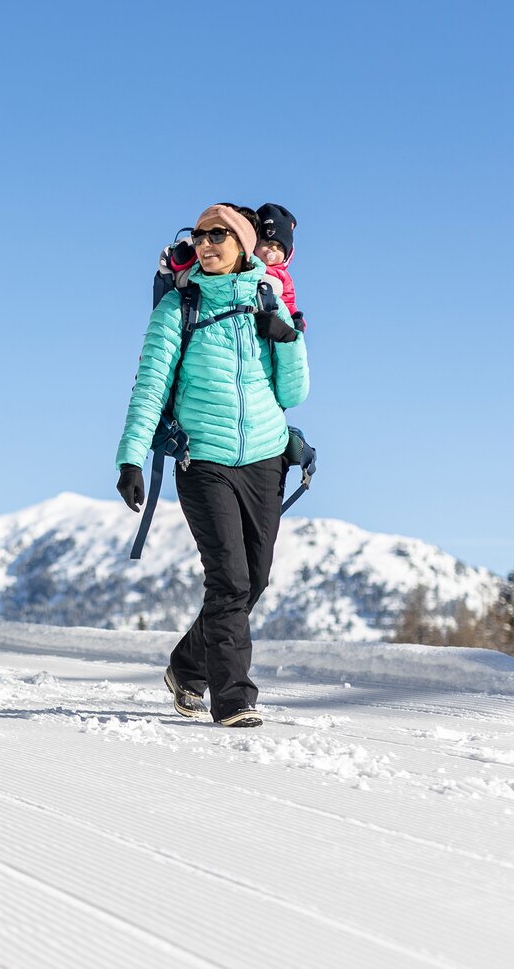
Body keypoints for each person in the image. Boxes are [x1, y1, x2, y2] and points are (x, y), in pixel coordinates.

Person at [115, 204, 308, 728]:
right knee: (228, 581)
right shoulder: (178, 307)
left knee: (255, 581)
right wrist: (131, 456)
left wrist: (288, 337)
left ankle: (185, 666)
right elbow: (150, 385)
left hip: (265, 459)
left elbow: (295, 391)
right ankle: (235, 698)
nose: (204, 243)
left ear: (244, 244)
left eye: (217, 234)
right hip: (203, 459)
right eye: (198, 235)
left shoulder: (268, 301)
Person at [252, 202, 304, 329]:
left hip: (270, 322)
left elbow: (288, 302)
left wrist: (295, 319)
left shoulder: (284, 277)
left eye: (279, 246)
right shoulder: (245, 262)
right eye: (268, 242)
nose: (273, 249)